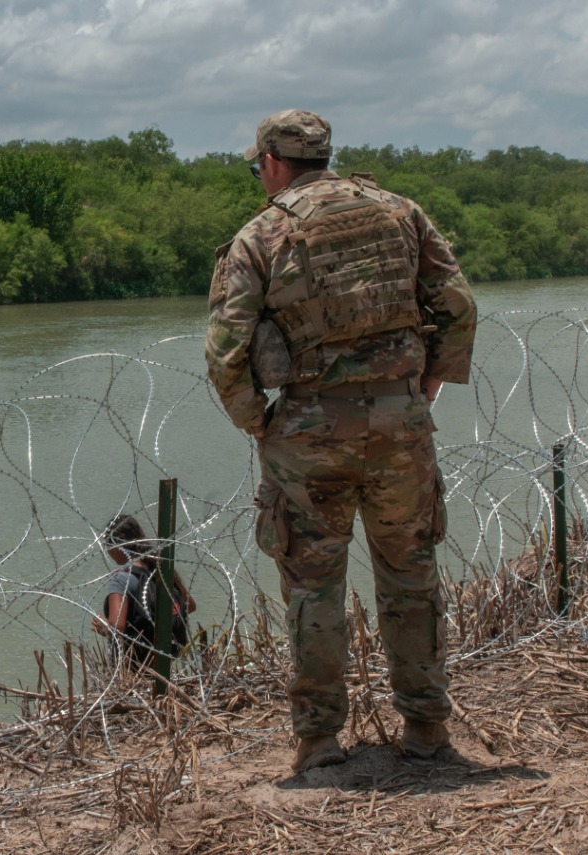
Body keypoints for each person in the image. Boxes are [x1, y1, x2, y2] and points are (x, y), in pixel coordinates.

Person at [205, 109, 477, 774]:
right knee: (411, 578)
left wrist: (256, 419)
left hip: (307, 435)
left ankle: (320, 741)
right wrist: (428, 384)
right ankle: (425, 729)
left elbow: (226, 348)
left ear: (272, 162)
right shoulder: (400, 212)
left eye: (256, 166)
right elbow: (459, 306)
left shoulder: (261, 234)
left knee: (312, 587)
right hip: (399, 427)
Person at [91, 514, 196, 668]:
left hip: (134, 666)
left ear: (114, 547)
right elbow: (190, 605)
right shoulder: (158, 568)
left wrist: (102, 624)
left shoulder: (121, 580)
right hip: (163, 660)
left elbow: (117, 628)